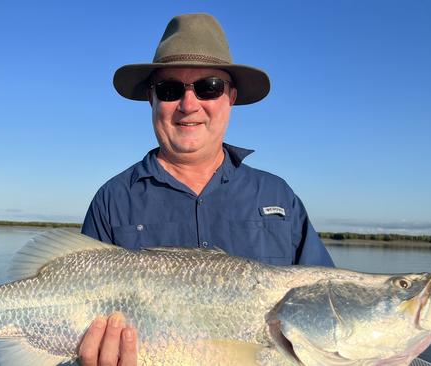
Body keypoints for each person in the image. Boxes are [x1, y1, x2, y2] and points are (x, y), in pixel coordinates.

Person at [77, 13, 334, 366]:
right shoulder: (112, 199)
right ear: (151, 99)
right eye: (169, 90)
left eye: (208, 86)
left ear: (230, 96)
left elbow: (324, 307)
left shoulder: (278, 197)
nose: (188, 104)